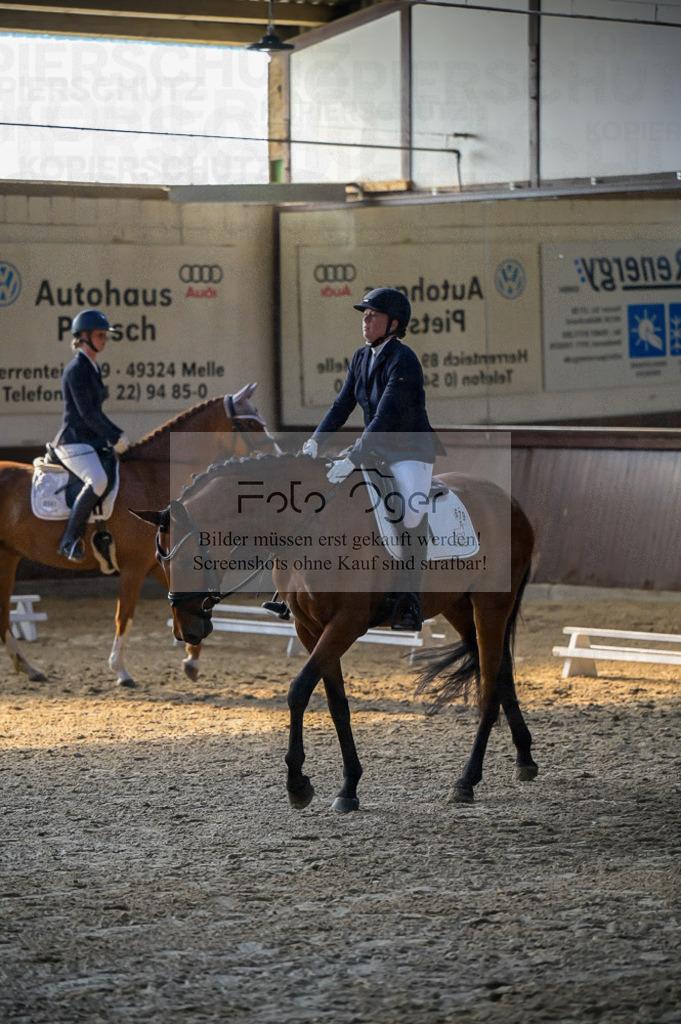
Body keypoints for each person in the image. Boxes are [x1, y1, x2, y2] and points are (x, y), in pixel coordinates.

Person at [302, 287, 445, 631]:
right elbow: (342, 405)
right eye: (364, 315)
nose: (365, 321)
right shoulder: (360, 357)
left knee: (410, 513)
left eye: (373, 315)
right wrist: (315, 441)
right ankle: (294, 590)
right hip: (376, 449)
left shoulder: (404, 360)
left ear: (394, 323)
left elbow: (385, 417)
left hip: (409, 453)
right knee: (327, 492)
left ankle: (409, 599)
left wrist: (353, 457)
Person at [53, 309, 129, 561]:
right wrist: (114, 437)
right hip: (73, 441)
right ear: (83, 337)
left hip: (90, 441)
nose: (104, 339)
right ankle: (69, 540)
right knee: (97, 480)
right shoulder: (76, 370)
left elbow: (97, 412)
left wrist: (116, 434)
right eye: (99, 335)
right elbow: (86, 413)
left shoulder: (93, 367)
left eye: (105, 335)